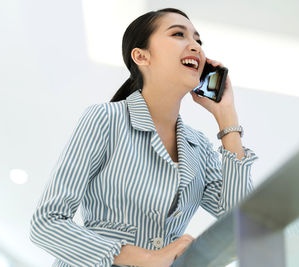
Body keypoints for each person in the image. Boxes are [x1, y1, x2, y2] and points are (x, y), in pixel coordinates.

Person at [29, 7, 258, 267]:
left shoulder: (199, 149)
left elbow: (245, 228)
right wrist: (150, 258)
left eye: (198, 40)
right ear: (141, 56)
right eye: (178, 34)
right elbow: (46, 223)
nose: (195, 46)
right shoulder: (106, 119)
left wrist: (226, 115)